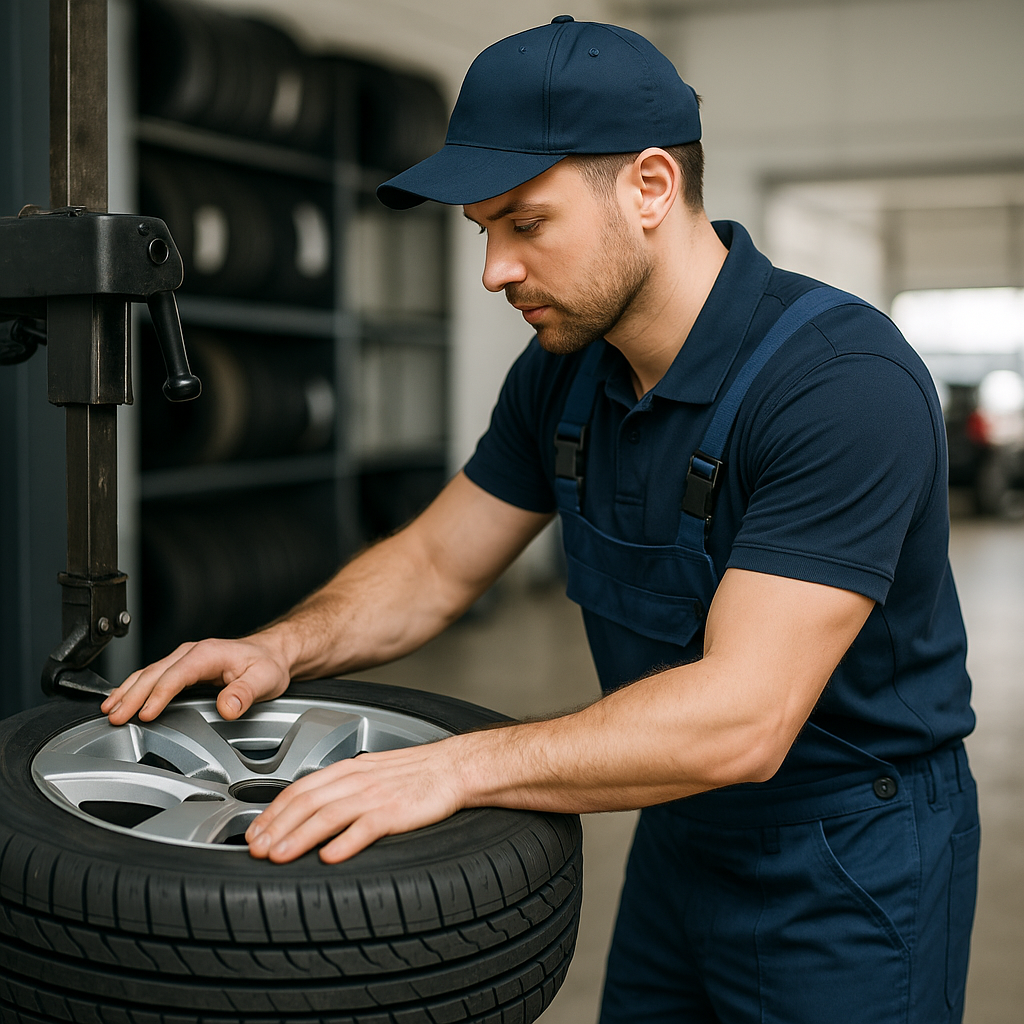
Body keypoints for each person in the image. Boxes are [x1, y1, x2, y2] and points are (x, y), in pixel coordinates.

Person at [101, 17, 980, 1024]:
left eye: (526, 224)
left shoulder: (838, 386)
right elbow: (436, 564)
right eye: (484, 232)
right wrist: (278, 646)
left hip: (848, 858)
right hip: (678, 825)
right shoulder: (564, 372)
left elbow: (742, 719)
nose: (494, 272)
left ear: (650, 187)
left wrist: (453, 768)